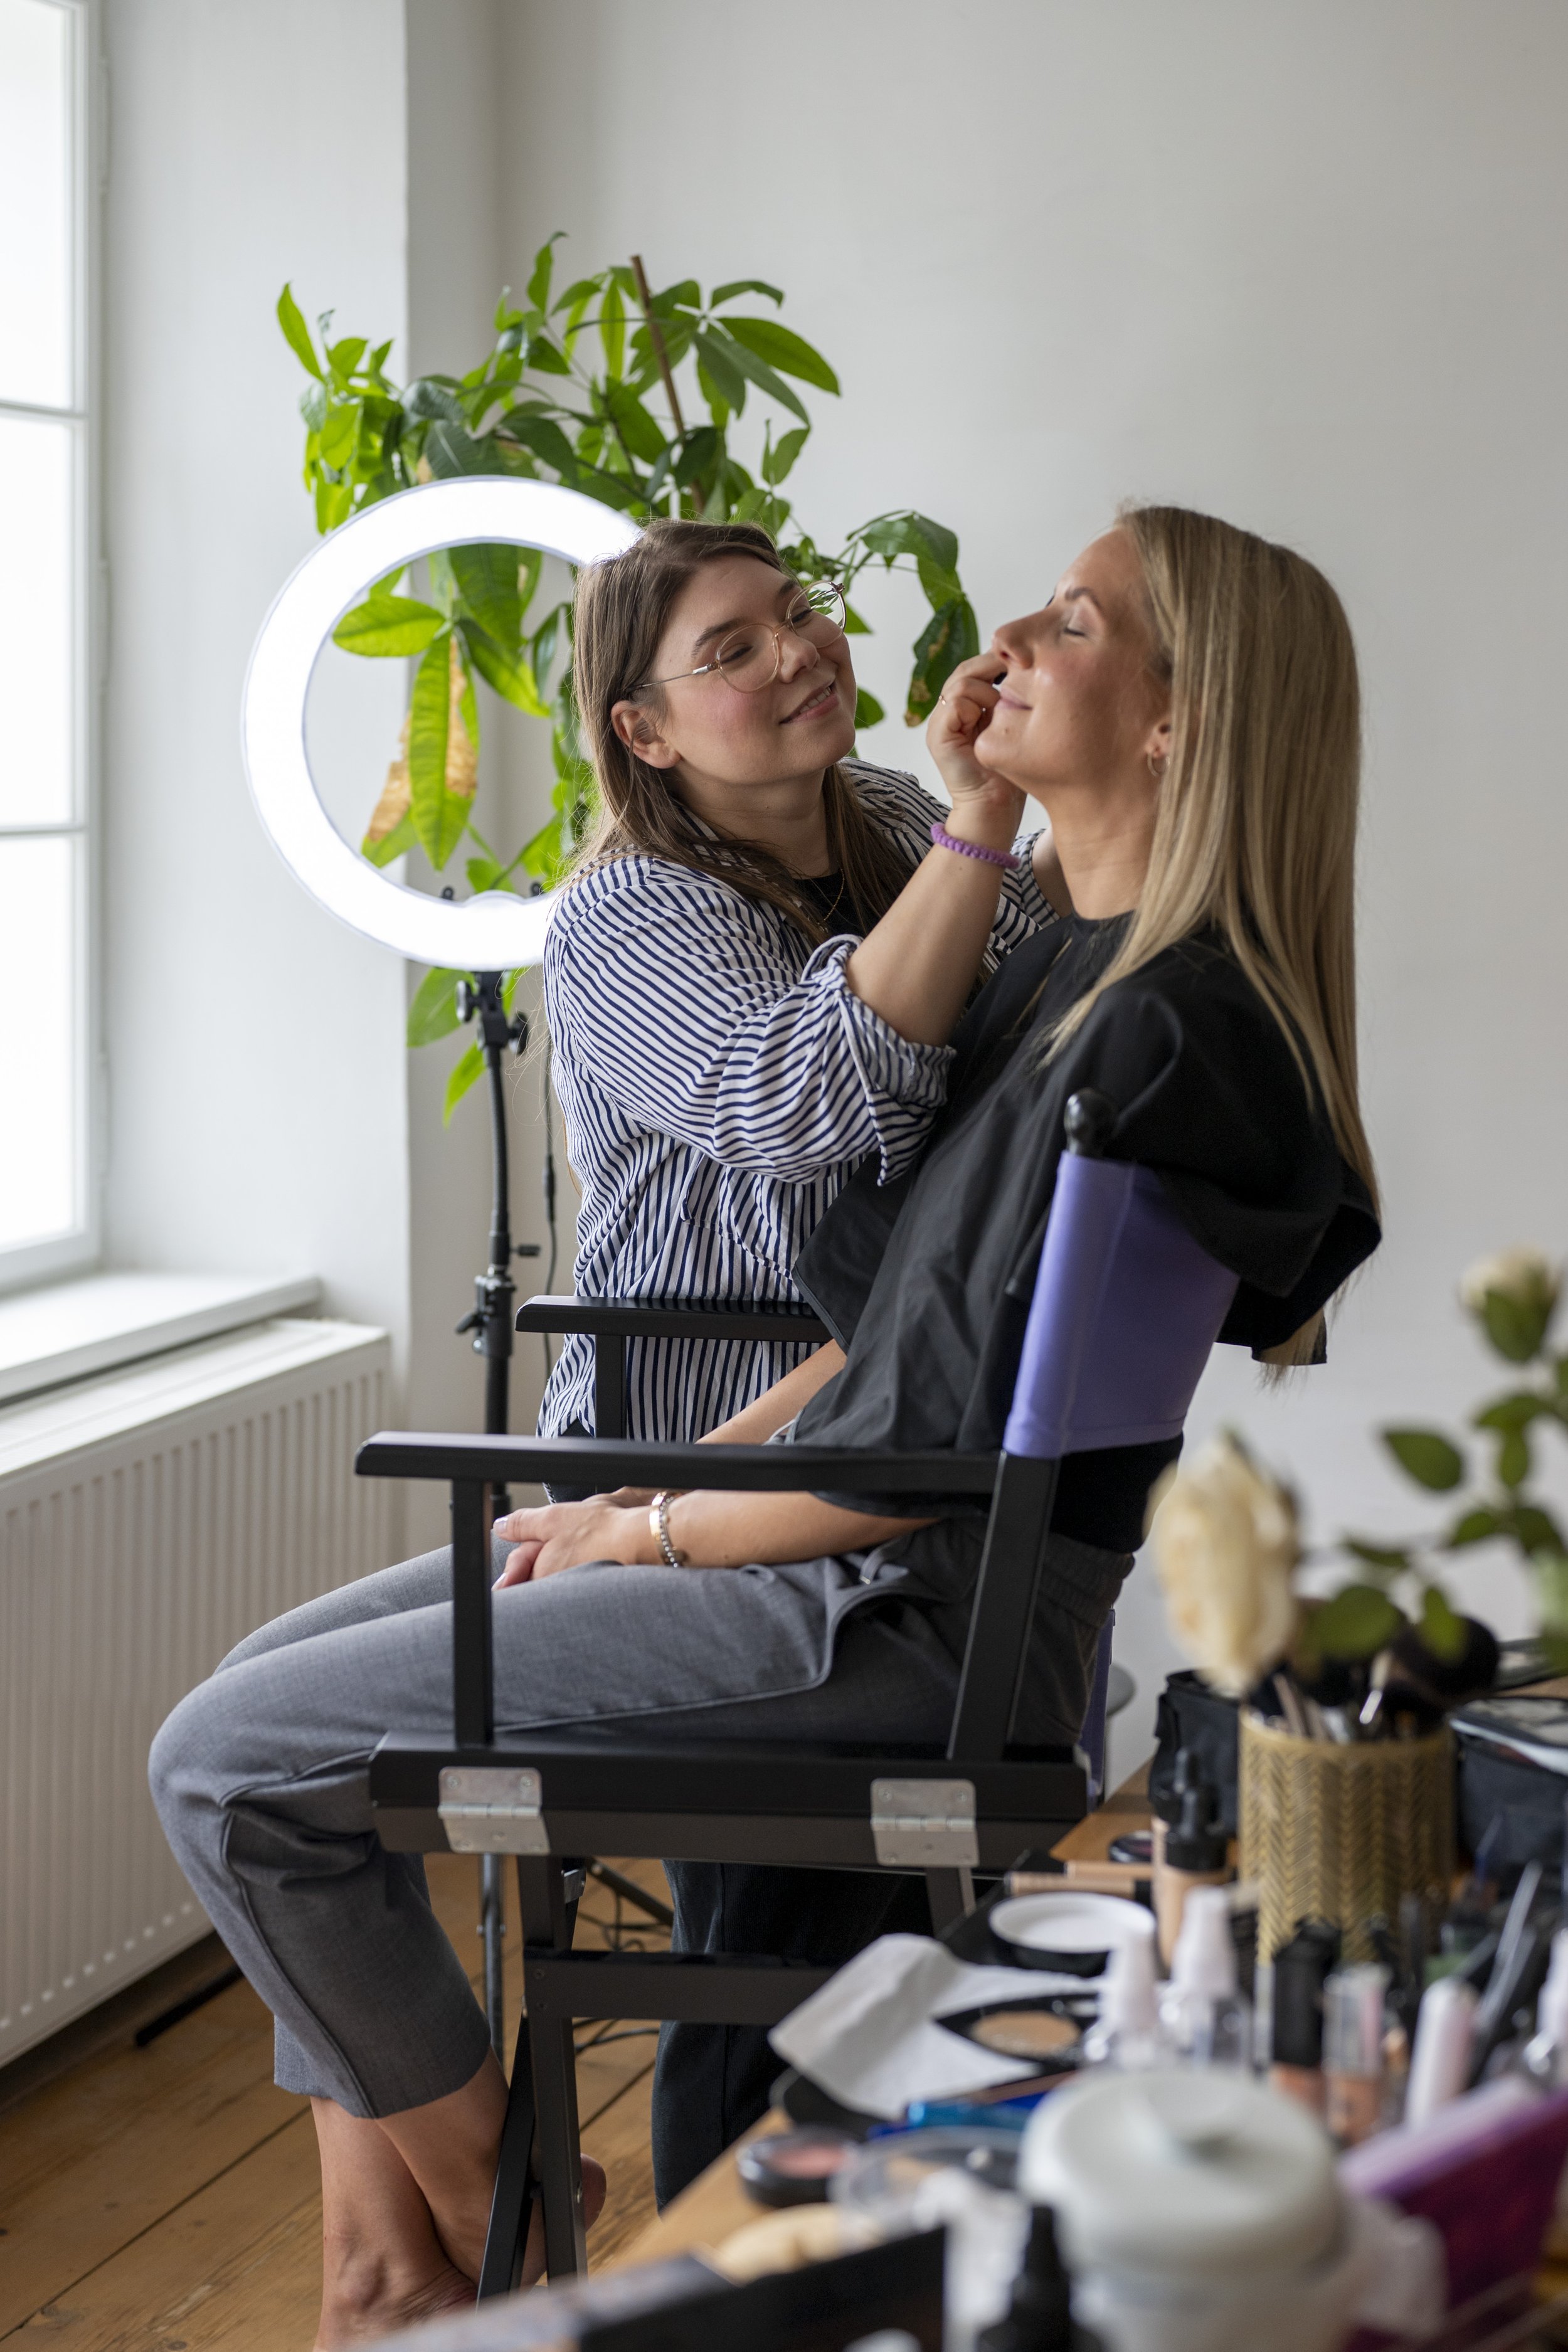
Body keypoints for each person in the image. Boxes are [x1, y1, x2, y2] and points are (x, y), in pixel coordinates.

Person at [150, 504, 1380, 2346]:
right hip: (808, 1531)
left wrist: (647, 1526)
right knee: (259, 1718)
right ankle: (438, 2250)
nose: (1006, 645)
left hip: (862, 1592)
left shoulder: (1097, 990)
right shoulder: (1014, 962)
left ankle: (504, 2238)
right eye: (722, 651)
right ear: (641, 726)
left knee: (226, 1765)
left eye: (1071, 620)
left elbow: (911, 1431)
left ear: (1174, 720)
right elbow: (897, 1304)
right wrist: (655, 1491)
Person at [547, 516, 1064, 2196]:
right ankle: (718, 2253)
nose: (795, 654)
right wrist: (993, 827)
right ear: (643, 729)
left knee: (857, 1937)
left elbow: (1026, 1056)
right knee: (772, 1943)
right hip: (680, 1457)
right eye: (731, 651)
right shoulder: (624, 915)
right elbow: (804, 1101)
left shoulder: (897, 825)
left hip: (878, 1421)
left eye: (795, 617)